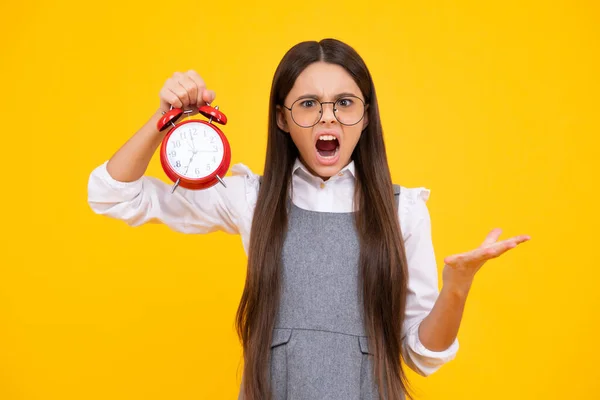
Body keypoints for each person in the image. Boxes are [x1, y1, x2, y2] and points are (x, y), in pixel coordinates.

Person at [87, 38, 530, 400]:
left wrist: (457, 286)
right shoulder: (251, 198)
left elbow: (422, 355)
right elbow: (113, 195)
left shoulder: (405, 209)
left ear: (366, 116)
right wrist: (163, 121)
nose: (328, 118)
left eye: (344, 103)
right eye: (308, 104)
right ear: (282, 118)